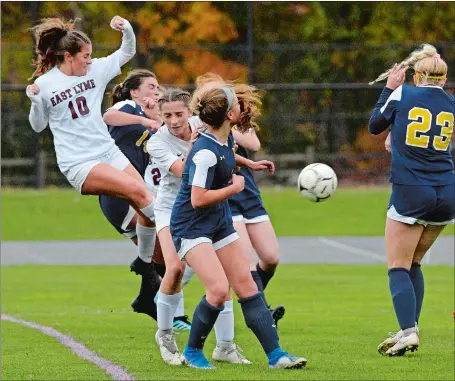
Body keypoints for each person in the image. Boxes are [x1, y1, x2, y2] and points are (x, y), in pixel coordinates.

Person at [170, 83, 307, 369]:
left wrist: (251, 165)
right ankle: (193, 351)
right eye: (236, 103)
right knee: (219, 290)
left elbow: (228, 152)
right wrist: (234, 188)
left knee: (246, 284)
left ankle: (277, 356)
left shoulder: (222, 139)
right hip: (191, 226)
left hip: (218, 221)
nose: (241, 107)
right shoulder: (204, 152)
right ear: (229, 114)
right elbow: (197, 199)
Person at [26, 17, 159, 295]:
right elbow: (38, 125)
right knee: (142, 196)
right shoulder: (46, 84)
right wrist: (36, 101)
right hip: (79, 163)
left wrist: (127, 30)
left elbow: (127, 52)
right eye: (85, 56)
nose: (90, 60)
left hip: (108, 151)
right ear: (68, 57)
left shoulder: (95, 70)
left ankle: (149, 271)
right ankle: (153, 259)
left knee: (148, 210)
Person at [147, 87, 250, 365]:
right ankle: (165, 334)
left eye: (179, 114)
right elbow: (186, 172)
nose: (173, 121)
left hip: (205, 208)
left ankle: (226, 346)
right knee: (176, 268)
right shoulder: (156, 143)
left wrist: (251, 162)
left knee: (222, 276)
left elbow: (222, 150)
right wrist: (194, 145)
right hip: (172, 210)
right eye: (166, 115)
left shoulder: (201, 124)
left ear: (189, 112)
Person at [368, 44, 455, 356]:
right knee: (414, 262)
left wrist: (387, 89)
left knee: (397, 266)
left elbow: (374, 124)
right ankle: (410, 327)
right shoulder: (451, 103)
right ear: (443, 79)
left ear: (418, 76)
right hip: (446, 191)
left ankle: (407, 331)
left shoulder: (403, 93)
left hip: (411, 188)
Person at [100, 72, 192, 329]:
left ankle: (151, 301)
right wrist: (145, 118)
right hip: (119, 192)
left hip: (132, 194)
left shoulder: (158, 119)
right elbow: (109, 116)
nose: (156, 90)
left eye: (158, 86)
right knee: (172, 249)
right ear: (134, 93)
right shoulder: (126, 107)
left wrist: (156, 117)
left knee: (164, 256)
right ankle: (172, 313)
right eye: (150, 86)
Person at [194, 74, 285, 325]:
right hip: (226, 196)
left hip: (248, 193)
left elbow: (253, 142)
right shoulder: (199, 124)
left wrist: (230, 125)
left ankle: (253, 295)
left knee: (271, 257)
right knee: (246, 261)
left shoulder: (235, 121)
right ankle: (261, 313)